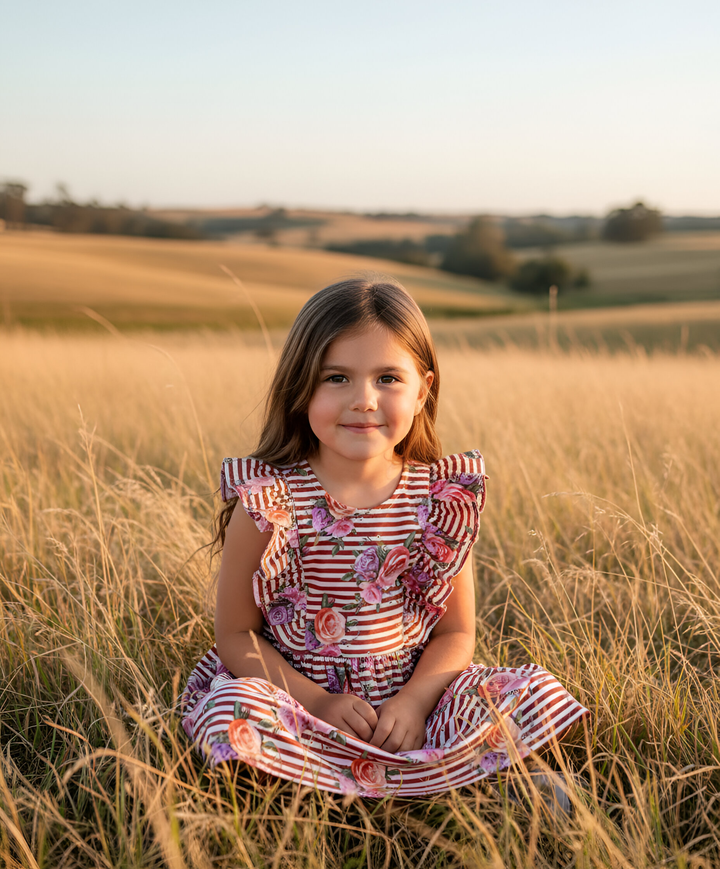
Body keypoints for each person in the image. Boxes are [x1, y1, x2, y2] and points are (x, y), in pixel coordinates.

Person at [181, 276, 587, 797]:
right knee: (232, 711)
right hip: (300, 705)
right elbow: (236, 635)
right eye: (336, 378)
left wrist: (416, 702)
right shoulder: (271, 500)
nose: (364, 400)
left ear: (424, 391)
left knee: (522, 692)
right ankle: (359, 784)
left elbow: (457, 634)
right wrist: (317, 703)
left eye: (388, 378)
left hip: (411, 708)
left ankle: (473, 781)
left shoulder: (440, 498)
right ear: (300, 387)